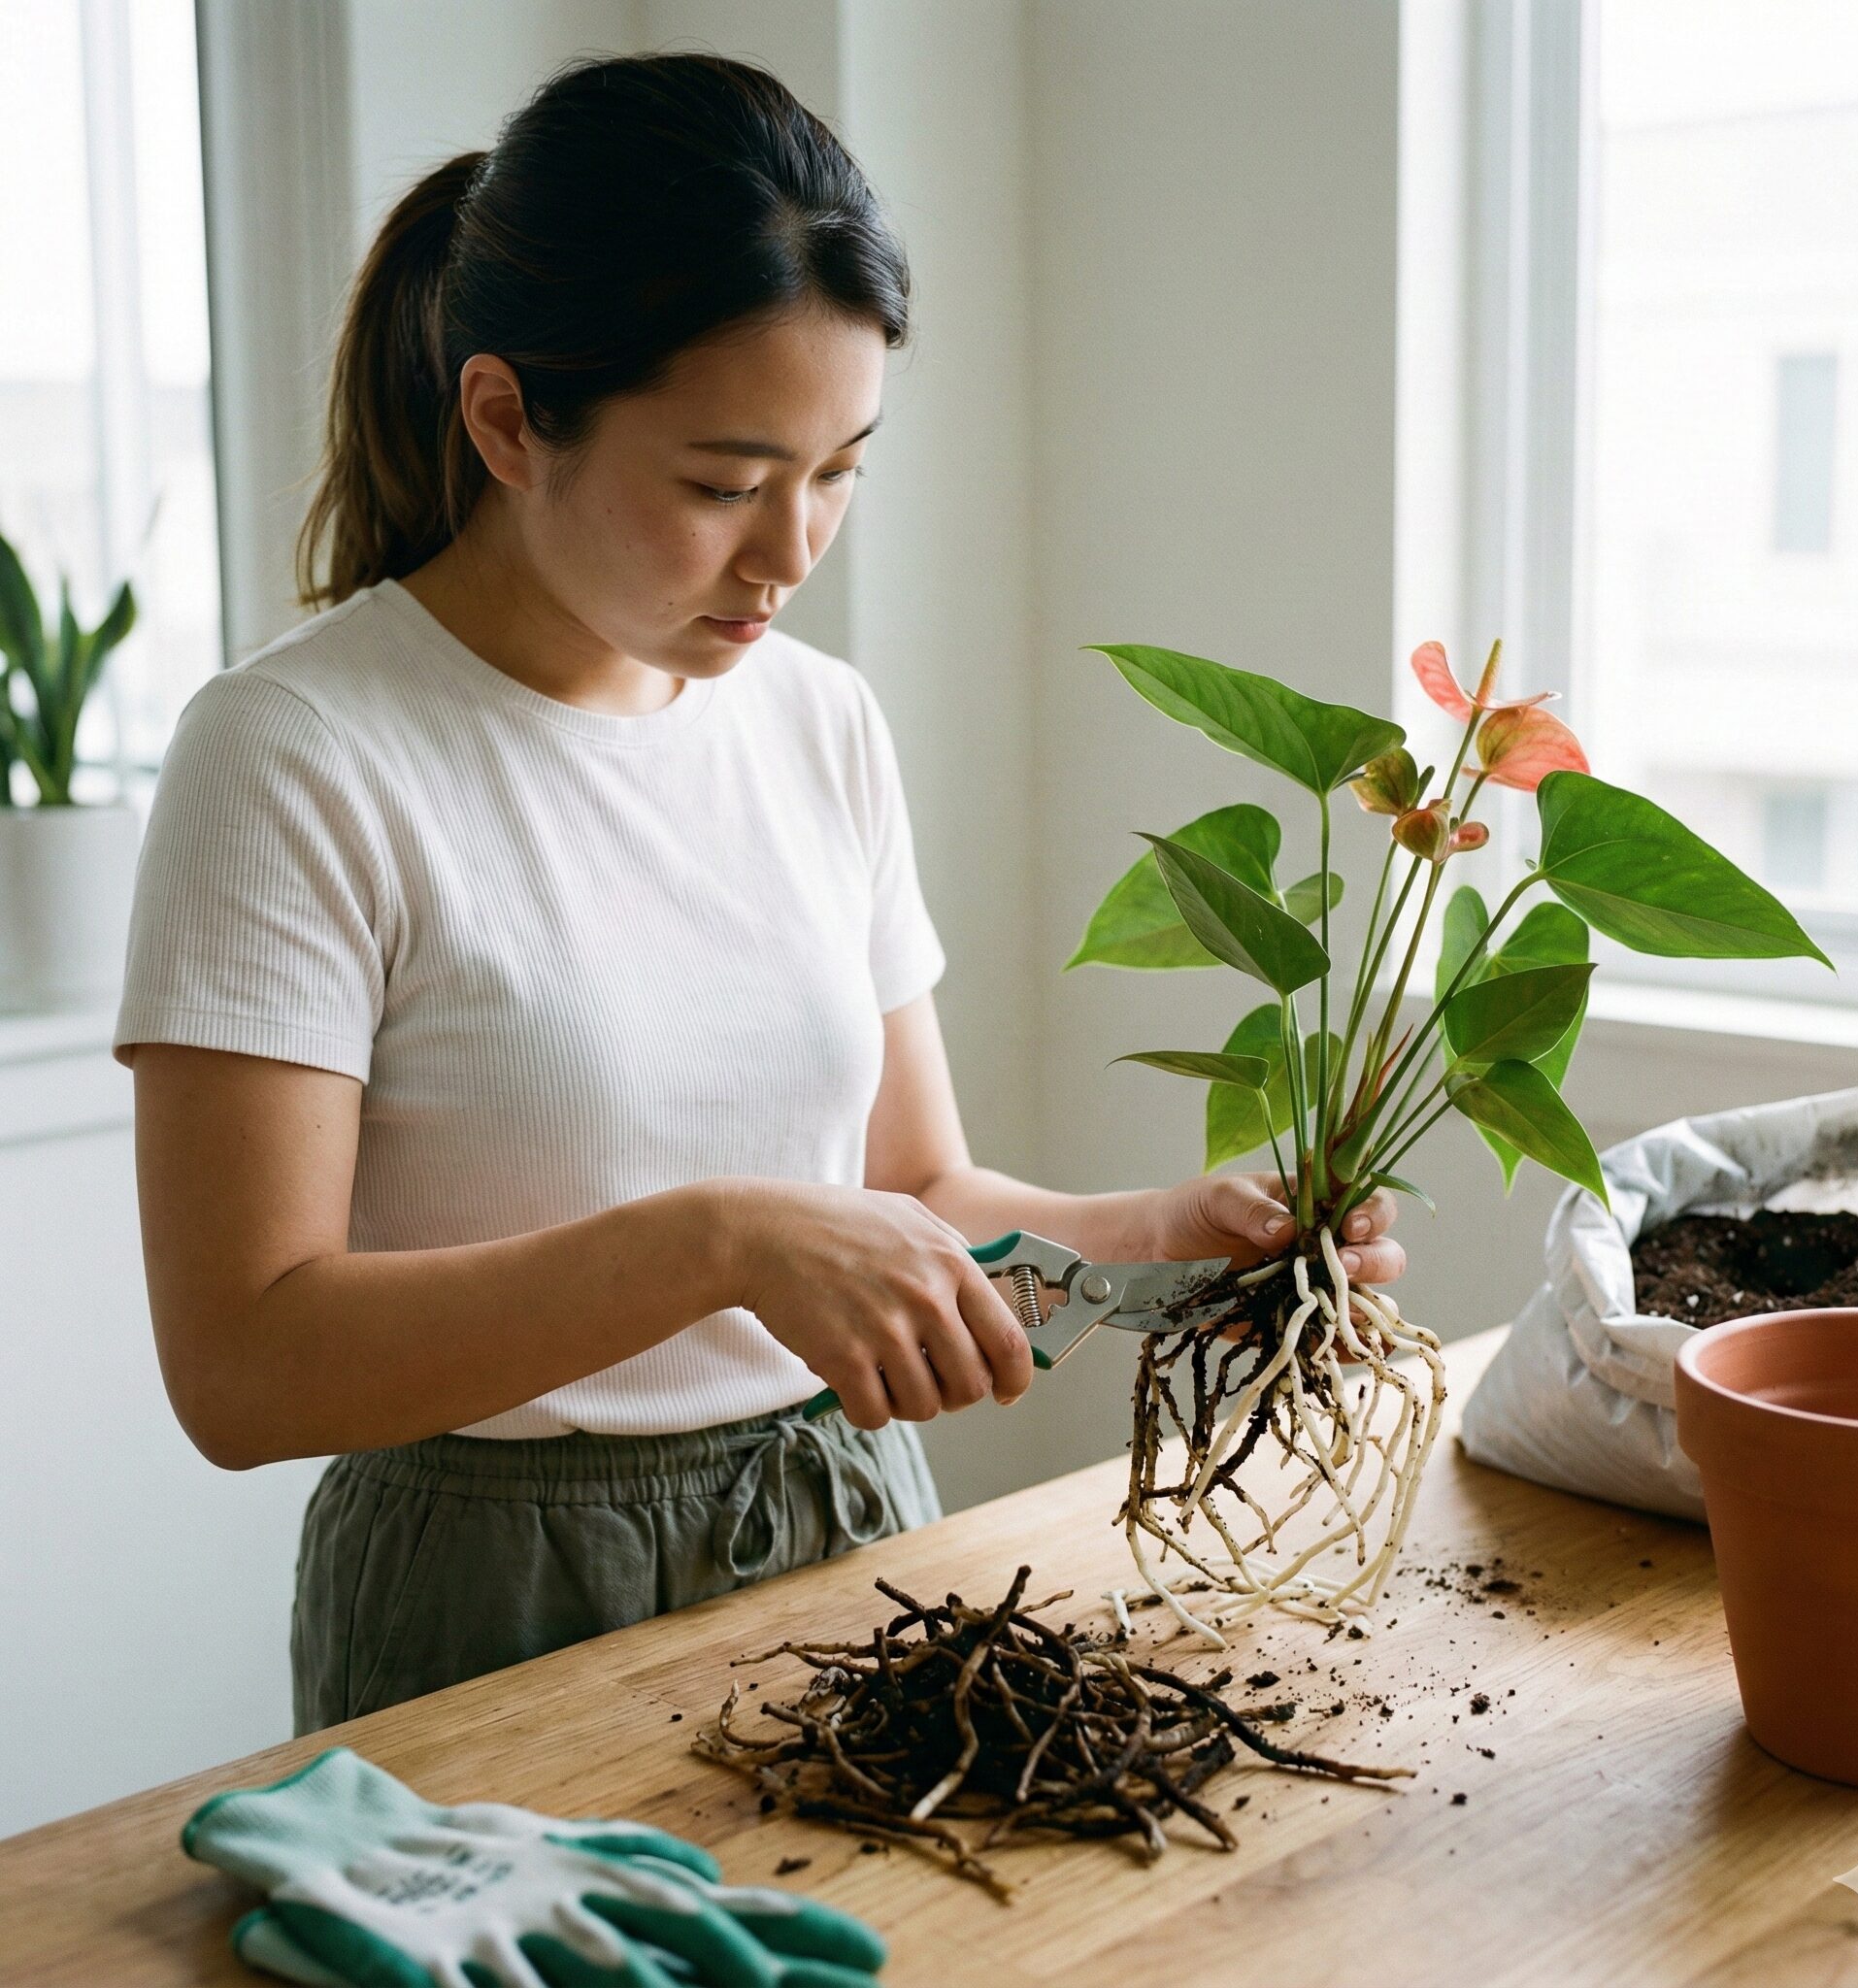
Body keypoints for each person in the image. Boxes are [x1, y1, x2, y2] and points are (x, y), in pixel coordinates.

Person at [116, 51, 1404, 1735]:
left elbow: (910, 1192)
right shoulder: (295, 754)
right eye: (724, 484)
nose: (792, 554)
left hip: (847, 1539)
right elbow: (243, 1365)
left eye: (841, 468)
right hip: (489, 1595)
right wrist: (717, 1241)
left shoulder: (819, 722)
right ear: (507, 420)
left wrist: (1157, 1237)